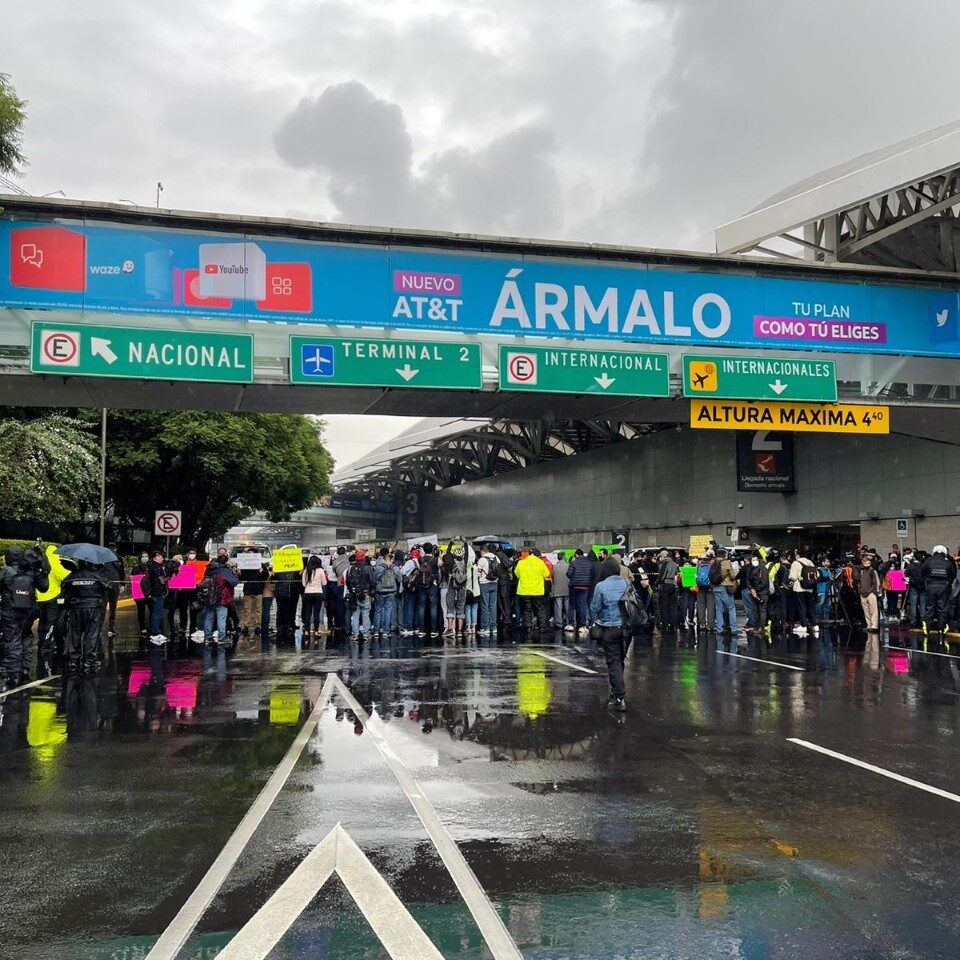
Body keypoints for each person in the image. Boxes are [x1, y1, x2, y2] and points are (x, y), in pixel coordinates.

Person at [0, 546, 49, 687]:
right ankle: (25, 669)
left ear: (8, 557)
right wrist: (42, 571)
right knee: (26, 637)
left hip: (10, 612)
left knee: (12, 640)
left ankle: (14, 674)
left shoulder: (5, 572)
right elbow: (44, 587)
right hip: (29, 611)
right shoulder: (30, 571)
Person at [590, 557, 628, 712]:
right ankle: (616, 689)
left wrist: (596, 620)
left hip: (609, 628)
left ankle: (619, 696)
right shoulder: (626, 583)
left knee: (613, 662)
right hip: (625, 628)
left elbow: (595, 607)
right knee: (620, 659)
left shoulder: (601, 586)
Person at [61, 559, 112, 676]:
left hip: (76, 608)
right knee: (91, 634)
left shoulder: (72, 576)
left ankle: (74, 661)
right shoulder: (97, 575)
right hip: (93, 608)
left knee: (75, 634)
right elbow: (109, 586)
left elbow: (64, 588)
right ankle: (88, 661)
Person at [31, 543, 70, 676]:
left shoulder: (39, 562)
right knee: (49, 623)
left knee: (39, 623)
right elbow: (65, 576)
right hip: (50, 598)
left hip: (36, 598)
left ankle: (39, 642)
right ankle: (45, 645)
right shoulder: (54, 561)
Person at [199, 553, 238, 645]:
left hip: (209, 597)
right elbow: (234, 582)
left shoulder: (209, 569)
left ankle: (207, 637)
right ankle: (221, 637)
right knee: (221, 618)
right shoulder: (225, 571)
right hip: (222, 597)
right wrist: (234, 573)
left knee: (209, 617)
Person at [921, 545, 956, 634]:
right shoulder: (947, 562)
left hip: (930, 587)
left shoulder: (928, 561)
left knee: (929, 607)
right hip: (944, 587)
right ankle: (942, 628)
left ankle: (927, 628)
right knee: (942, 608)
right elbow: (953, 574)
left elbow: (922, 572)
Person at [142, 549, 172, 645]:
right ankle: (156, 633)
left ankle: (155, 632)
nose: (163, 559)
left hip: (158, 593)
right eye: (161, 557)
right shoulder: (154, 568)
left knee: (156, 613)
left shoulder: (155, 567)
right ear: (156, 557)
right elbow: (161, 577)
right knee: (156, 613)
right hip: (157, 593)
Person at [514, 549, 549, 633]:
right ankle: (542, 627)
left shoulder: (521, 562)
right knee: (540, 608)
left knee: (527, 609)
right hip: (537, 590)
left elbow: (516, 573)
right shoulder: (540, 562)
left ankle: (528, 627)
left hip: (524, 590)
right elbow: (546, 574)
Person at [789, 548, 818, 636]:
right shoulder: (810, 562)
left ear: (797, 554)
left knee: (802, 606)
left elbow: (792, 576)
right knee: (810, 606)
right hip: (809, 588)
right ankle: (815, 625)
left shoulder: (795, 563)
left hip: (799, 588)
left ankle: (803, 625)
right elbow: (817, 574)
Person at [347, 550, 375, 640]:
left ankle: (355, 634)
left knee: (355, 614)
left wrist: (353, 591)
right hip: (365, 594)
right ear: (363, 557)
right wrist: (371, 592)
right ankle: (366, 634)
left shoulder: (351, 568)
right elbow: (372, 581)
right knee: (365, 613)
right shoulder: (367, 568)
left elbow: (348, 582)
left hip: (355, 594)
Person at [301, 553, 328, 644]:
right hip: (318, 593)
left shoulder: (306, 570)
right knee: (316, 613)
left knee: (308, 613)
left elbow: (304, 584)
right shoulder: (321, 570)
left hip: (308, 593)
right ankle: (316, 632)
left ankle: (306, 631)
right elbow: (324, 583)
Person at [740, 550, 769, 634]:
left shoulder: (763, 569)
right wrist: (752, 589)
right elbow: (747, 580)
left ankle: (761, 627)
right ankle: (756, 625)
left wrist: (755, 589)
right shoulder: (750, 570)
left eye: (755, 560)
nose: (754, 562)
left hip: (763, 592)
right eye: (752, 560)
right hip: (754, 592)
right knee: (755, 609)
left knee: (762, 610)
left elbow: (764, 582)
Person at [568, 548, 595, 635]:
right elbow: (593, 574)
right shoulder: (589, 562)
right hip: (585, 587)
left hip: (574, 586)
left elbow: (569, 574)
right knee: (582, 605)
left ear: (576, 555)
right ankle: (582, 625)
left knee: (572, 605)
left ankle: (571, 624)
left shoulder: (573, 562)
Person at [239, 548, 265, 637]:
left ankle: (258, 626)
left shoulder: (261, 565)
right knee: (247, 609)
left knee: (258, 610)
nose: (250, 555)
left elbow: (265, 577)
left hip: (258, 591)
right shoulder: (244, 565)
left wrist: (262, 571)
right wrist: (239, 572)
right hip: (248, 590)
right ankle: (246, 626)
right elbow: (241, 578)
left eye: (252, 553)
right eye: (248, 554)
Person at [372, 548, 398, 639]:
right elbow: (400, 579)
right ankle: (386, 631)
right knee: (388, 610)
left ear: (383, 559)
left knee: (378, 610)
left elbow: (374, 579)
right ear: (391, 559)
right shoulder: (395, 567)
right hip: (391, 591)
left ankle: (376, 630)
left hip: (380, 591)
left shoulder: (379, 567)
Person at [712, 548, 738, 634]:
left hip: (715, 587)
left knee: (719, 609)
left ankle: (720, 629)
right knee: (731, 608)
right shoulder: (726, 562)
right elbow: (733, 576)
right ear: (724, 555)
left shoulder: (713, 562)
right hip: (725, 587)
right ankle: (733, 629)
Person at [476, 545, 500, 639]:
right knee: (493, 606)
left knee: (485, 605)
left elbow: (478, 573)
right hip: (495, 583)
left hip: (484, 584)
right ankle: (493, 627)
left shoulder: (482, 560)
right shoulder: (496, 558)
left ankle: (485, 628)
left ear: (482, 550)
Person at [417, 544, 441, 637]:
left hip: (421, 585)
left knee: (421, 607)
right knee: (433, 607)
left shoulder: (420, 559)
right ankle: (433, 629)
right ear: (432, 550)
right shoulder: (436, 560)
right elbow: (440, 566)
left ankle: (421, 629)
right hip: (433, 584)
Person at [399, 547, 422, 636]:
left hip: (409, 587)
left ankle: (408, 627)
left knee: (409, 607)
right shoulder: (421, 562)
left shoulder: (410, 562)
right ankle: (416, 626)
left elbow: (401, 572)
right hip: (418, 587)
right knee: (416, 607)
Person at [104, 543, 124, 640]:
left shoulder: (103, 558)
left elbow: (122, 571)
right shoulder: (118, 558)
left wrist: (122, 584)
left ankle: (106, 628)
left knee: (105, 607)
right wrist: (122, 584)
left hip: (106, 584)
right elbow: (122, 572)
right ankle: (110, 628)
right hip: (111, 585)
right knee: (112, 607)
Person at [447, 547, 468, 639]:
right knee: (461, 607)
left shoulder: (451, 563)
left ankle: (450, 629)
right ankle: (460, 630)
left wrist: (451, 544)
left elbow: (448, 555)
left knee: (450, 607)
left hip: (452, 587)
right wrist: (465, 543)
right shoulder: (465, 563)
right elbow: (466, 553)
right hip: (462, 587)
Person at [656, 549, 679, 632]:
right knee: (672, 605)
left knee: (664, 605)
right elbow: (676, 573)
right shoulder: (674, 563)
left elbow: (661, 576)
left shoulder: (664, 563)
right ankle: (673, 623)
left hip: (665, 585)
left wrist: (656, 584)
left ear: (663, 556)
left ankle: (665, 623)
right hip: (673, 585)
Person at [858, 553, 881, 632]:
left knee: (873, 610)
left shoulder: (873, 571)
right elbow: (860, 582)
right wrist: (860, 590)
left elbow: (876, 582)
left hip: (871, 592)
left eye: (868, 563)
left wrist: (874, 591)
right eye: (865, 563)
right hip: (863, 593)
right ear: (862, 563)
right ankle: (869, 625)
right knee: (866, 610)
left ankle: (874, 626)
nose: (867, 564)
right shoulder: (861, 571)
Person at [695, 551, 715, 632]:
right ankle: (711, 625)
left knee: (701, 605)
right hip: (710, 587)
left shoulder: (698, 566)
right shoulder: (711, 566)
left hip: (700, 588)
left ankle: (702, 624)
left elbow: (695, 577)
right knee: (710, 606)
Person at [464, 548, 480, 639]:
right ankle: (474, 627)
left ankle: (468, 627)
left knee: (467, 609)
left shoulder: (465, 568)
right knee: (474, 609)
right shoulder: (476, 567)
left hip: (467, 591)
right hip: (476, 591)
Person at [552, 552, 570, 631]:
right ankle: (569, 622)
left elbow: (552, 576)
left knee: (558, 607)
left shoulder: (554, 567)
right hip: (567, 589)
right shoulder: (569, 566)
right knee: (568, 606)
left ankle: (559, 623)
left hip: (557, 589)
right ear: (564, 557)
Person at [815, 556, 835, 623]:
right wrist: (828, 578)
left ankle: (826, 618)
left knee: (828, 604)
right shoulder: (819, 570)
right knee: (821, 603)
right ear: (822, 562)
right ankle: (817, 616)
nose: (828, 563)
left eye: (829, 562)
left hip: (829, 589)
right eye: (827, 562)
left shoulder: (829, 570)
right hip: (821, 589)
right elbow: (820, 578)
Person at [261, 565, 276, 639]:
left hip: (263, 594)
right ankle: (265, 625)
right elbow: (271, 587)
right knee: (266, 611)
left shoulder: (263, 573)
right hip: (268, 595)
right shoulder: (269, 575)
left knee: (264, 610)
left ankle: (263, 624)